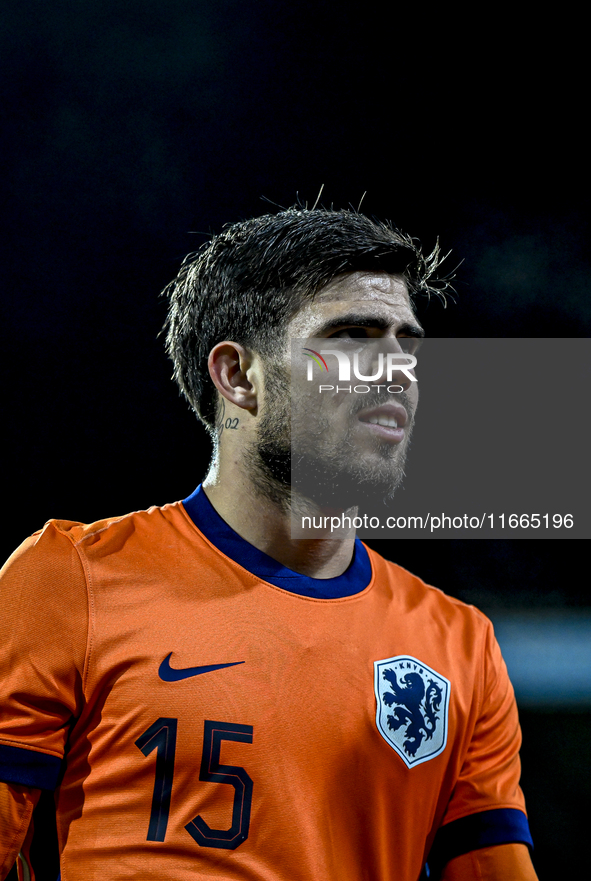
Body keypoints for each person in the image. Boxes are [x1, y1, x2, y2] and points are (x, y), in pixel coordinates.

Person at [0, 207, 538, 881]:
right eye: (353, 336)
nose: (397, 370)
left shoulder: (458, 645)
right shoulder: (67, 582)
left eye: (407, 345)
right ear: (238, 376)